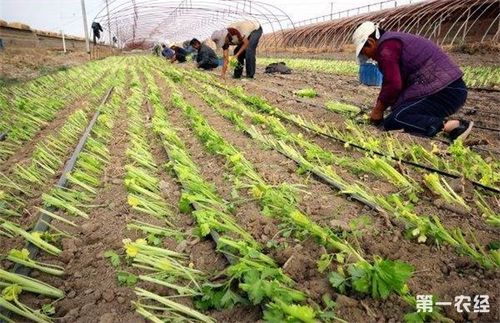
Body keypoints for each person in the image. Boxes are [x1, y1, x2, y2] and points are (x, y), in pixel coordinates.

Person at [352, 21, 473, 141]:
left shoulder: (387, 47)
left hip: (445, 91)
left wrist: (377, 111)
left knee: (396, 119)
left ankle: (452, 126)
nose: (367, 57)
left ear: (371, 42)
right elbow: (398, 85)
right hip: (449, 89)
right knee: (398, 110)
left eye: (364, 52)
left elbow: (393, 85)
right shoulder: (393, 41)